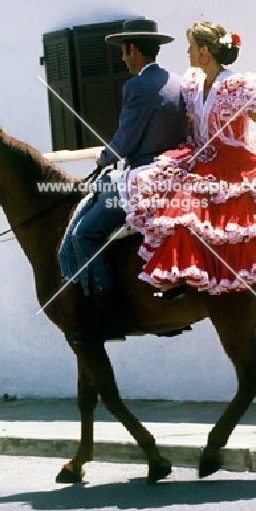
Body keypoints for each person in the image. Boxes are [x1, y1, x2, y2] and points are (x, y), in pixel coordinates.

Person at [124, 21, 256, 298]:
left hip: (235, 162)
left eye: (191, 47)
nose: (187, 52)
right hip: (200, 157)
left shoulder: (237, 85)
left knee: (195, 207)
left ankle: (198, 276)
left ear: (204, 52)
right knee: (173, 202)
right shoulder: (193, 84)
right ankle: (180, 274)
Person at [58, 18, 187, 342]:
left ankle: (109, 318)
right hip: (175, 171)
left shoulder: (136, 87)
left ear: (133, 49)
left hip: (145, 177)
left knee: (84, 234)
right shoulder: (176, 81)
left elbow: (126, 141)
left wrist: (104, 158)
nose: (122, 58)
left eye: (123, 51)